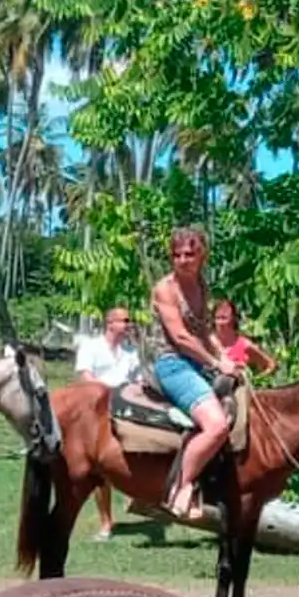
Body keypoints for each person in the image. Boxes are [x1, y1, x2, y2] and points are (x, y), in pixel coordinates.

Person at [142, 227, 239, 520]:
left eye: (189, 253)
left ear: (202, 255)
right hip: (172, 363)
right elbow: (181, 337)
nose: (183, 259)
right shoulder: (165, 289)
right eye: (177, 254)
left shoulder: (201, 285)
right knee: (217, 426)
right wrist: (215, 362)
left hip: (198, 362)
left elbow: (205, 331)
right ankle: (180, 487)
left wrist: (225, 356)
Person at [75, 307, 141, 540]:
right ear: (110, 323)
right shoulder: (91, 347)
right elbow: (85, 377)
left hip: (126, 408)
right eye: (125, 320)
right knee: (99, 468)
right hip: (98, 409)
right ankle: (106, 522)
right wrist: (108, 393)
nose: (128, 324)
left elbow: (138, 381)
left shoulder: (131, 352)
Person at [213, 299, 277, 376]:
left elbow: (270, 364)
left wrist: (257, 380)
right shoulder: (208, 342)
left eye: (224, 318)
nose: (220, 323)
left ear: (233, 319)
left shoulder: (244, 344)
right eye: (217, 318)